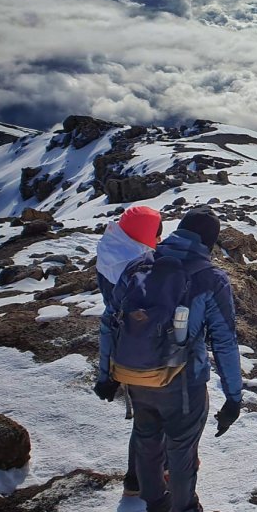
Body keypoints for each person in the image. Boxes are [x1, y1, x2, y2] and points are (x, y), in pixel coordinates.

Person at [95, 207, 242, 512]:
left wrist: (106, 376)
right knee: (181, 450)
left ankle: (156, 505)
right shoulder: (209, 277)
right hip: (181, 380)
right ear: (209, 242)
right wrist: (233, 397)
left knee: (147, 442)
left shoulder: (138, 265)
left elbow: (109, 322)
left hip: (135, 374)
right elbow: (225, 341)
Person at [94, 204, 163, 497]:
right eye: (157, 231)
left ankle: (134, 481)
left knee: (145, 418)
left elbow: (110, 320)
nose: (160, 237)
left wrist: (105, 371)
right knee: (162, 415)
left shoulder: (113, 249)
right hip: (149, 352)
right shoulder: (137, 268)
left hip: (124, 351)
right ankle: (161, 477)